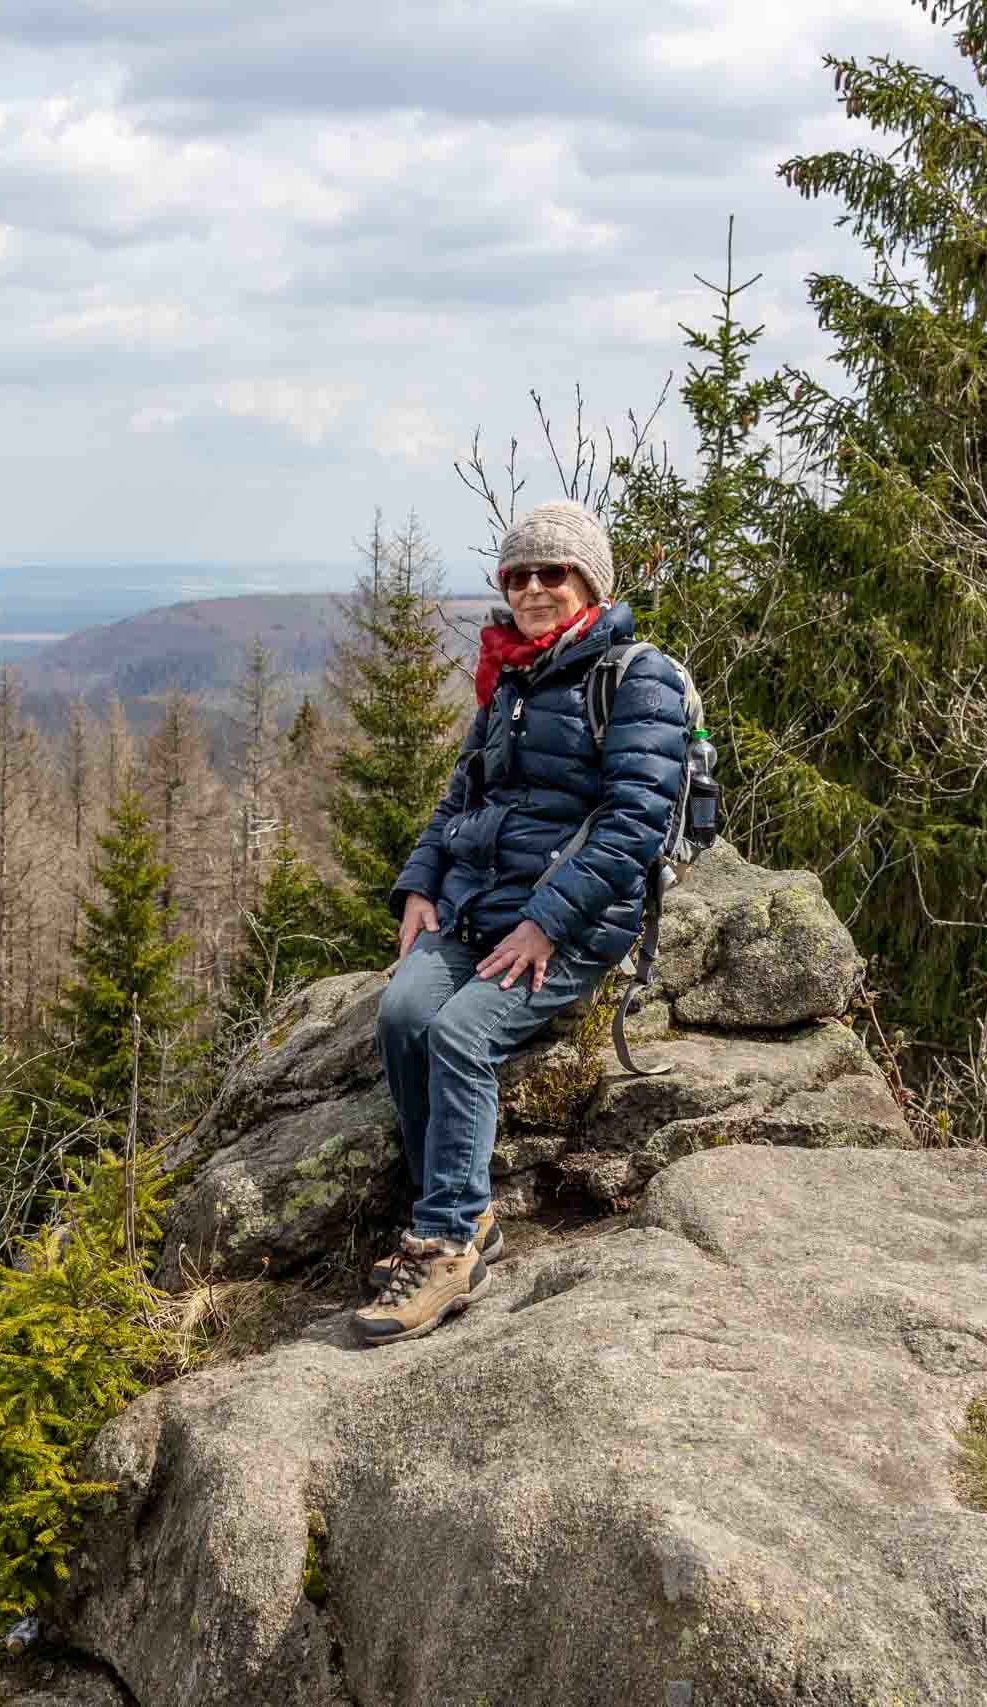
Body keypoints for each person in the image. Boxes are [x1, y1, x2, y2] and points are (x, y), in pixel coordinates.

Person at [353, 498, 688, 1347]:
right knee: (400, 1017)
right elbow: (463, 791)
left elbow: (633, 826)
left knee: (462, 1035)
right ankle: (467, 1209)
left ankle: (446, 1243)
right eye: (518, 574)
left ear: (589, 582)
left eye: (553, 572)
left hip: (569, 922)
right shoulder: (510, 677)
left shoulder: (635, 677)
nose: (533, 588)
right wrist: (420, 884)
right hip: (473, 908)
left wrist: (545, 923)